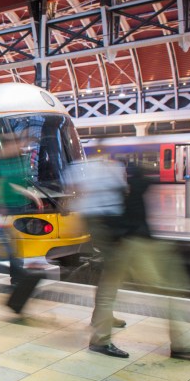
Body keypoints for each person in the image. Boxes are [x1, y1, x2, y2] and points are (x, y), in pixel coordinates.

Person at [89, 162, 190, 361]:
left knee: (107, 291)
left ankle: (100, 340)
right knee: (171, 290)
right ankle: (182, 346)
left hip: (124, 243)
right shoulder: (130, 187)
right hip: (136, 245)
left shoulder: (112, 188)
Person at [64, 148, 130, 357]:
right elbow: (124, 193)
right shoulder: (113, 168)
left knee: (111, 275)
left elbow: (72, 193)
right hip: (106, 223)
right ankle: (101, 338)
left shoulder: (79, 167)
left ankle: (102, 319)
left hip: (102, 222)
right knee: (112, 277)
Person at [0, 132, 45, 314]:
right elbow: (6, 185)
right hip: (5, 213)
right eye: (15, 144)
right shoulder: (2, 160)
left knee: (17, 252)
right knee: (14, 252)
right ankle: (17, 289)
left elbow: (15, 184)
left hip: (13, 210)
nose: (20, 147)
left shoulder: (15, 162)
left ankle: (17, 286)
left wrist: (31, 195)